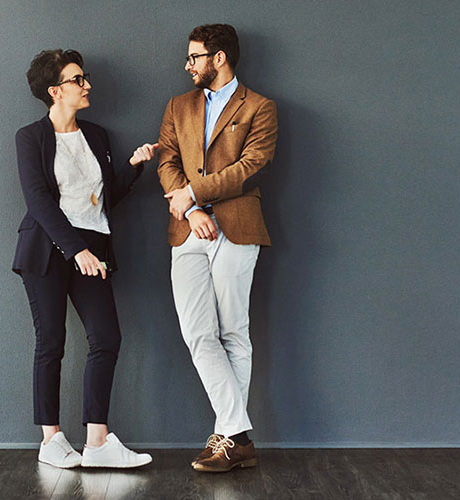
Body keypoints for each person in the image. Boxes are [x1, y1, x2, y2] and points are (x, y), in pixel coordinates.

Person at [13, 49, 155, 469]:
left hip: (93, 246)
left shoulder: (97, 135)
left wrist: (132, 167)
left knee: (106, 338)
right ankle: (51, 440)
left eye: (84, 77)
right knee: (51, 342)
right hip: (47, 248)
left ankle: (97, 442)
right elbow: (38, 200)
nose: (87, 84)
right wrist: (76, 250)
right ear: (55, 91)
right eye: (78, 79)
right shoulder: (30, 137)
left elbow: (103, 196)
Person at [157, 24, 278, 472]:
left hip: (239, 227)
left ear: (219, 57)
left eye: (194, 57)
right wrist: (190, 209)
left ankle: (227, 441)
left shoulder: (260, 108)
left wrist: (196, 193)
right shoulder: (178, 105)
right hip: (188, 230)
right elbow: (168, 160)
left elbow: (252, 166)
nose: (188, 65)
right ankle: (238, 434)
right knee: (197, 333)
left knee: (233, 333)